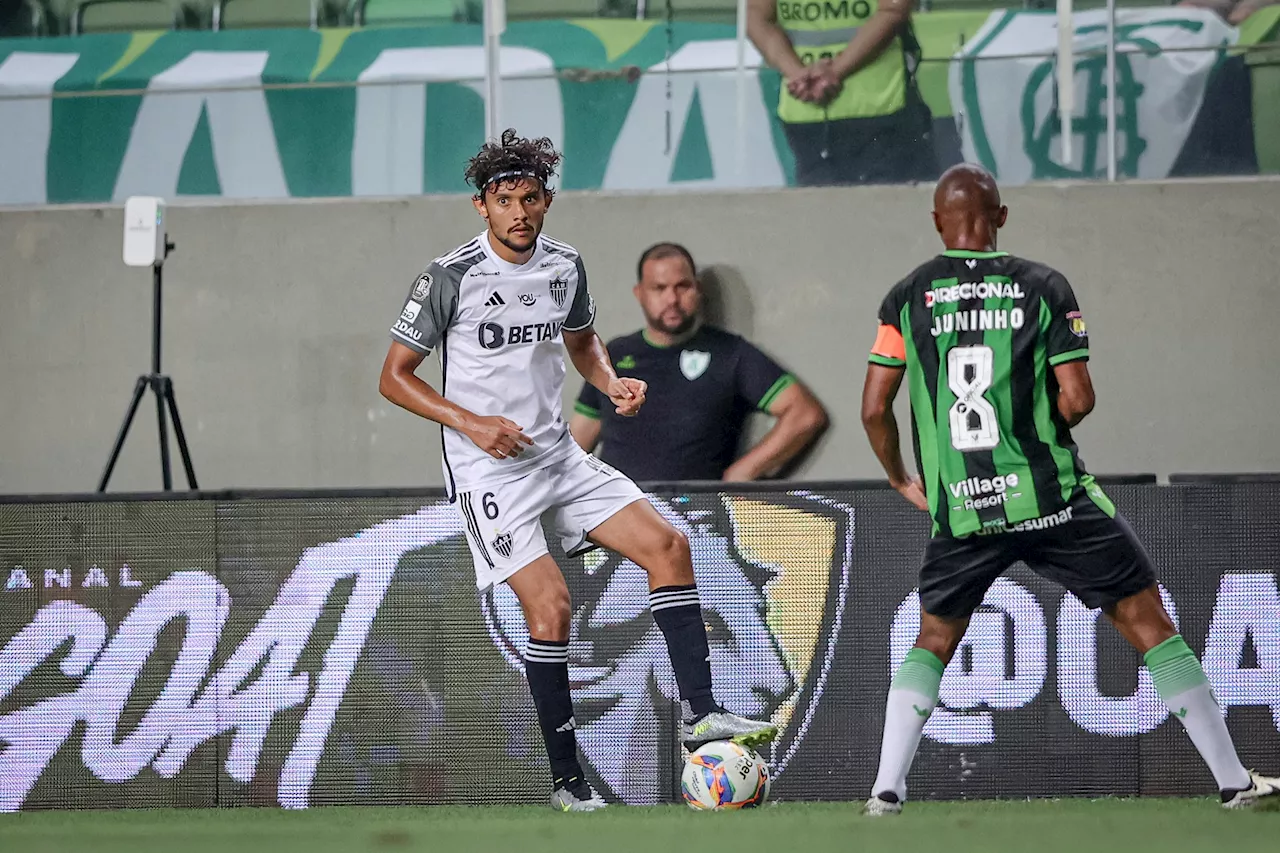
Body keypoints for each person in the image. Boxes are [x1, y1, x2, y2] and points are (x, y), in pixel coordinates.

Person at [858, 162, 1280, 815]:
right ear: (1001, 217)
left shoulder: (907, 296)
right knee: (1147, 621)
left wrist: (897, 474)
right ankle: (1232, 780)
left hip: (964, 508)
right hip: (1049, 497)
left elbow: (873, 408)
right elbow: (1079, 398)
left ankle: (886, 789)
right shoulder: (1043, 287)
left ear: (938, 222)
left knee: (933, 638)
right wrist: (1029, 430)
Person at [377, 129, 778, 812]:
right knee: (552, 606)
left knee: (669, 546)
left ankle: (702, 716)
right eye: (504, 200)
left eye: (530, 198)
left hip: (559, 455)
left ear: (547, 200)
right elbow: (393, 378)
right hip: (489, 472)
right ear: (481, 206)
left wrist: (611, 380)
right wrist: (471, 423)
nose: (519, 212)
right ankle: (568, 782)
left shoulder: (564, 265)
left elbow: (583, 340)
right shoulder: (449, 275)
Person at [568, 242, 827, 482]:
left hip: (696, 518)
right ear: (640, 294)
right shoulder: (614, 353)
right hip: (618, 515)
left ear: (698, 289)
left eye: (682, 286)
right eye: (659, 288)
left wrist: (740, 474)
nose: (672, 299)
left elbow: (804, 413)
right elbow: (576, 444)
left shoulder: (730, 353)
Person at [746, 0, 937, 187]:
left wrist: (795, 73)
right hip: (879, 106)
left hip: (808, 107)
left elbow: (756, 14)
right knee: (892, 211)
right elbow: (894, 9)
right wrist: (831, 72)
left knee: (820, 213)